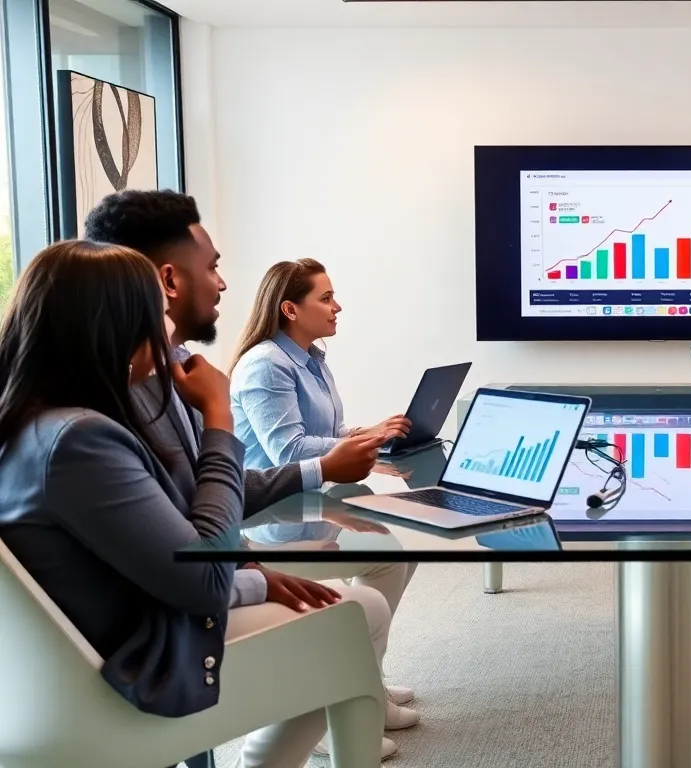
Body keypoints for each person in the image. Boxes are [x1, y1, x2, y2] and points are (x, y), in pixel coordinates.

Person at [0, 241, 397, 764]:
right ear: (118, 325)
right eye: (157, 313)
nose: (166, 328)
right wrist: (218, 418)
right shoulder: (79, 440)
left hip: (93, 644)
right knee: (359, 612)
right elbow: (204, 580)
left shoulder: (40, 421)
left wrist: (251, 575)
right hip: (134, 664)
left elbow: (171, 539)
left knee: (338, 615)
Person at [83, 191, 419, 755]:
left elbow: (198, 507)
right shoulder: (117, 408)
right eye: (212, 267)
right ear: (168, 279)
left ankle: (344, 697)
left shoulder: (168, 376)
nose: (222, 283)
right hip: (163, 629)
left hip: (201, 577)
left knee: (376, 579)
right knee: (360, 611)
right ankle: (333, 704)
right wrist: (218, 418)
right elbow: (197, 542)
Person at [228, 258, 411, 470]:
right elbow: (289, 453)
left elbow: (331, 435)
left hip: (310, 492)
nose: (337, 307)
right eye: (326, 299)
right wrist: (366, 440)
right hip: (273, 502)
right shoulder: (265, 364)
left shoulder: (313, 358)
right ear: (290, 310)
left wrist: (378, 434)